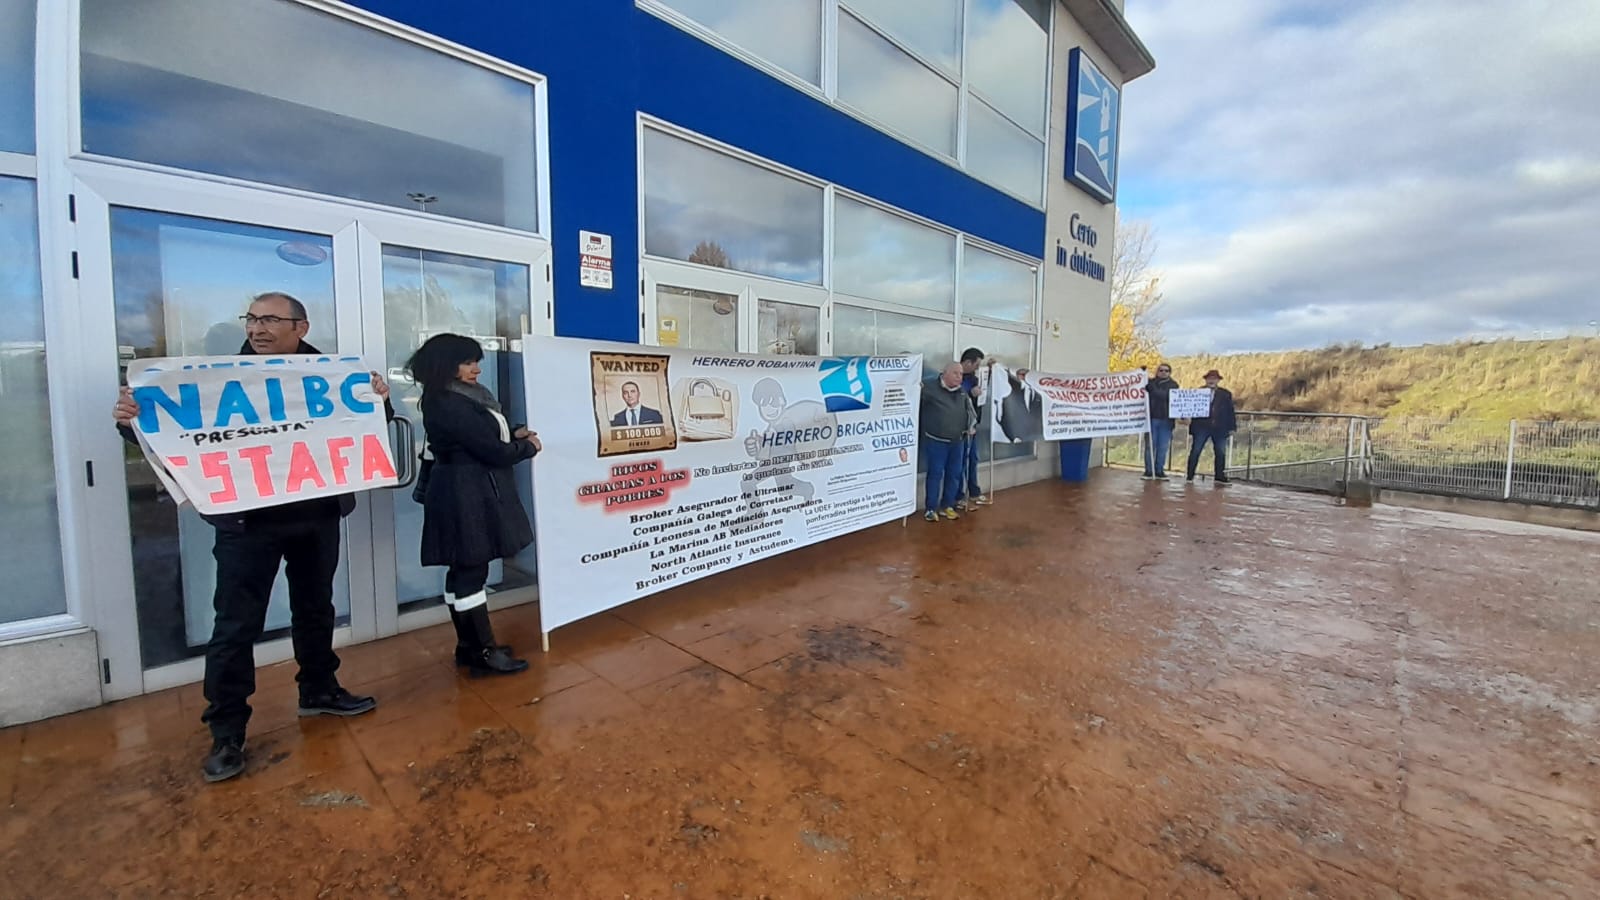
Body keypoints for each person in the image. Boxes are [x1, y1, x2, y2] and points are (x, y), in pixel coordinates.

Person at [112, 292, 387, 784]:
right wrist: (133, 422)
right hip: (247, 525)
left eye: (270, 319)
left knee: (315, 608)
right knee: (236, 626)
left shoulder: (332, 377)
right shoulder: (214, 381)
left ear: (300, 328)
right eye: (252, 319)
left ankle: (319, 690)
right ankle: (227, 732)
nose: (257, 328)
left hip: (316, 516)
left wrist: (377, 404)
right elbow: (174, 437)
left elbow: (365, 429)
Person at [407, 333, 539, 677]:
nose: (476, 369)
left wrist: (514, 432)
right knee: (470, 572)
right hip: (464, 494)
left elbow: (482, 434)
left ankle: (469, 645)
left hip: (462, 490)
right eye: (467, 362)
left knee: (464, 571)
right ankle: (483, 651)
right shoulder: (449, 402)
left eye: (476, 361)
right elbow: (490, 450)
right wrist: (529, 447)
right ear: (445, 365)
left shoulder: (453, 396)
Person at [921, 362, 974, 521]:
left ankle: (947, 506)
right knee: (935, 474)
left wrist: (971, 426)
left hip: (957, 441)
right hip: (936, 440)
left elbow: (969, 411)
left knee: (954, 475)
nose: (960, 377)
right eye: (956, 373)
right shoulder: (929, 388)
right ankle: (931, 508)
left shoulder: (962, 392)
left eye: (961, 374)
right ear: (945, 373)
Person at [1186, 369, 1237, 484]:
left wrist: (1232, 427)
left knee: (1220, 452)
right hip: (1201, 427)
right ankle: (1190, 475)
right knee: (1195, 451)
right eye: (1209, 378)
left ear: (1218, 380)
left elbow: (1230, 411)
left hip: (1220, 428)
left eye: (1214, 378)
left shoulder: (1225, 394)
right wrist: (1186, 417)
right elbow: (1188, 407)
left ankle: (1219, 476)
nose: (1211, 380)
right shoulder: (1197, 392)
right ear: (1205, 380)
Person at [955, 348, 989, 509]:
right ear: (968, 363)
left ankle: (973, 491)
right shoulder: (958, 378)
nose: (977, 368)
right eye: (976, 365)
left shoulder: (974, 378)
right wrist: (970, 392)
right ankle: (959, 495)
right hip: (960, 428)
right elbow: (956, 396)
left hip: (972, 427)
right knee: (960, 462)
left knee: (973, 459)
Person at [1144, 363, 1179, 479]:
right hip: (1151, 419)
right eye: (1161, 370)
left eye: (1166, 370)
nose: (1164, 372)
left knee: (1163, 446)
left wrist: (1152, 390)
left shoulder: (1173, 385)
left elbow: (1166, 396)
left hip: (1166, 420)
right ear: (1157, 371)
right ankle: (1149, 470)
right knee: (1150, 446)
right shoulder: (1149, 382)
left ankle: (1159, 470)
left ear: (1170, 372)